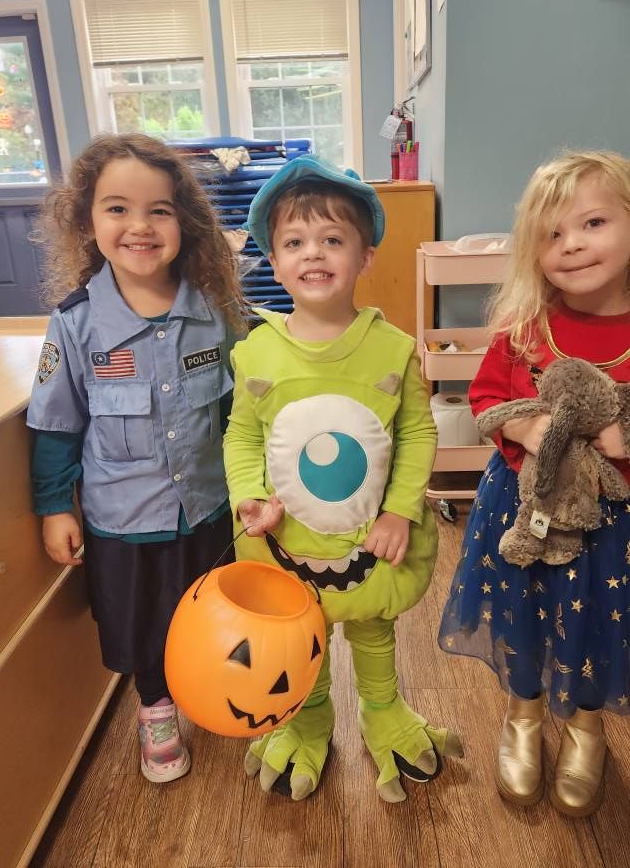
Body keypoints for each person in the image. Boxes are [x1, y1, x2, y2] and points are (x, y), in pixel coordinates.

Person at [439, 150, 630, 817]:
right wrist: (524, 430)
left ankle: (588, 728)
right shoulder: (522, 331)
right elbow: (484, 399)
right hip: (526, 511)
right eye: (553, 234)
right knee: (525, 613)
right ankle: (523, 717)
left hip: (621, 527)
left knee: (602, 627)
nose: (573, 244)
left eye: (592, 223)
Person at [223, 155, 463, 803]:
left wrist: (399, 511)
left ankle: (383, 710)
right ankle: (309, 716)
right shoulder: (255, 354)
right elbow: (242, 435)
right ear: (274, 262)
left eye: (333, 239)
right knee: (304, 631)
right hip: (287, 538)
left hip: (369, 540)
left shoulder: (395, 350)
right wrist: (248, 497)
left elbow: (416, 433)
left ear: (366, 256)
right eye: (295, 243)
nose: (313, 254)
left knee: (372, 624)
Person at [27, 133, 245, 783]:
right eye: (117, 208)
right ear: (87, 222)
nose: (139, 226)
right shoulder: (75, 324)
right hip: (123, 519)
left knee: (209, 610)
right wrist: (50, 506)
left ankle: (211, 691)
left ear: (185, 222)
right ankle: (155, 707)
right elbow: (56, 425)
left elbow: (245, 414)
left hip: (210, 507)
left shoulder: (216, 313)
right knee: (143, 623)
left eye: (159, 210)